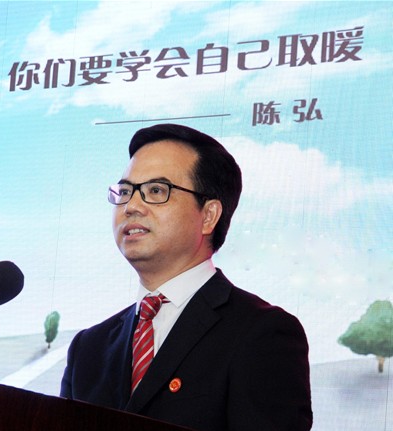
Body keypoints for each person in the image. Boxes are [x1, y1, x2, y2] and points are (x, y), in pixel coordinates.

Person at [60, 123, 312, 430]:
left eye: (156, 191)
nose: (131, 206)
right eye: (125, 192)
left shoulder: (262, 333)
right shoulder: (89, 348)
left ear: (208, 216)